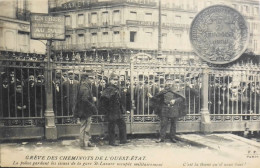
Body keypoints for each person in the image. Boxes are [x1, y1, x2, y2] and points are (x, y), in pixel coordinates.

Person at [149, 77, 186, 143]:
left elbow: (182, 98)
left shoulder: (176, 90)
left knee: (173, 124)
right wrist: (152, 97)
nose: (169, 84)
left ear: (172, 83)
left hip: (174, 109)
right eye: (168, 82)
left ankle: (173, 137)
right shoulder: (163, 91)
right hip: (165, 109)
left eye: (170, 82)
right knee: (163, 124)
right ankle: (161, 138)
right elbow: (158, 99)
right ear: (165, 83)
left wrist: (175, 100)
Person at [99, 72, 129, 146]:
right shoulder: (108, 88)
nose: (116, 81)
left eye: (116, 80)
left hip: (117, 111)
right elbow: (103, 99)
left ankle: (123, 140)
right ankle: (112, 142)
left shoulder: (116, 88)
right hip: (111, 111)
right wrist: (108, 108)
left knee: (122, 124)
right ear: (110, 80)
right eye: (114, 79)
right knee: (111, 126)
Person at [74, 72, 97, 148]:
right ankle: (84, 144)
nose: (92, 80)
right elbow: (84, 99)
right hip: (86, 111)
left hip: (83, 111)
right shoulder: (85, 87)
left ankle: (85, 142)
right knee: (85, 128)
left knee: (84, 127)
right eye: (90, 78)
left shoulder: (83, 86)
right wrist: (92, 105)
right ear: (86, 79)